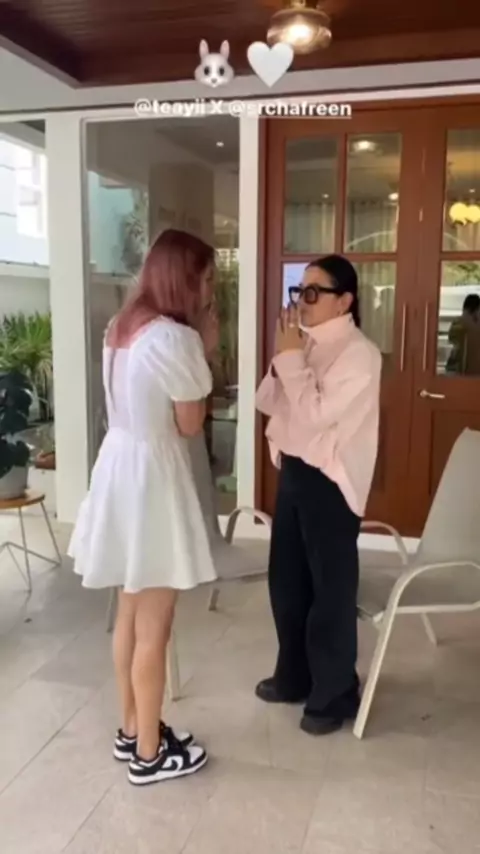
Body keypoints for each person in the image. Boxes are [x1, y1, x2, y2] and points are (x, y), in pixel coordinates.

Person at [68, 228, 218, 785]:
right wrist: (205, 348)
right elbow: (190, 423)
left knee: (130, 613)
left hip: (120, 467)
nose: (210, 290)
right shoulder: (174, 338)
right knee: (156, 621)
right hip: (152, 477)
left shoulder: (121, 326)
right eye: (207, 279)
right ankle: (150, 755)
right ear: (185, 279)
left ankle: (133, 727)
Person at [255, 255, 381, 736]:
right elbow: (270, 401)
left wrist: (291, 361)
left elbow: (314, 414)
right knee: (287, 583)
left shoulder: (359, 354)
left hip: (330, 480)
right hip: (294, 470)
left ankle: (333, 692)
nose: (301, 301)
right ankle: (294, 676)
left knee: (330, 591)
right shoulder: (303, 342)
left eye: (312, 292)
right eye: (298, 291)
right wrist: (284, 356)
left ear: (344, 300)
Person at [446, 293, 480, 375]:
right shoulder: (465, 324)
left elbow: (452, 339)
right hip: (469, 373)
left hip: (461, 373)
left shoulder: (458, 323)